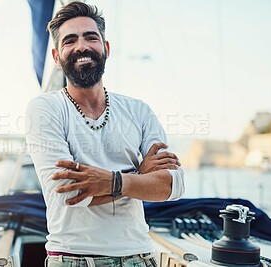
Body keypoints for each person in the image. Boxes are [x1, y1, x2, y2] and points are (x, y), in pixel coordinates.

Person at [25, 2, 185, 266]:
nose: (82, 47)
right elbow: (69, 193)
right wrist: (138, 176)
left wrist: (111, 182)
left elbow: (174, 185)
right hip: (72, 258)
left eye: (91, 37)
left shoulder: (138, 110)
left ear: (106, 48)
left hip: (140, 257)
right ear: (56, 57)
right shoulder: (45, 108)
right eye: (70, 41)